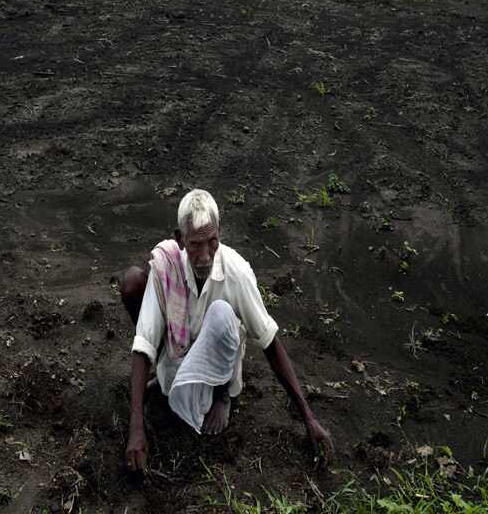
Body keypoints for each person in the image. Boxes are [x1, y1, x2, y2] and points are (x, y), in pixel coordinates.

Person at [121, 189, 334, 474]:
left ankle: (221, 395)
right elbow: (144, 343)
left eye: (212, 242)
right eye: (195, 245)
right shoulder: (167, 268)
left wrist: (308, 418)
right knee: (135, 281)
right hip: (180, 354)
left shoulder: (236, 272)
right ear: (180, 239)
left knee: (222, 314)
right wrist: (136, 427)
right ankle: (165, 380)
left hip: (220, 365)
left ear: (219, 234)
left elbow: (269, 341)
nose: (205, 257)